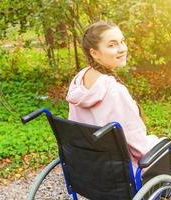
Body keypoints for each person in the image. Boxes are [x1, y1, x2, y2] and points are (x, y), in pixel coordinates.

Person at [66, 20, 160, 170]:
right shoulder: (114, 91)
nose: (122, 48)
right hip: (122, 171)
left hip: (90, 165)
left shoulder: (79, 80)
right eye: (112, 45)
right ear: (94, 53)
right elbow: (138, 146)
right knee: (167, 149)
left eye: (122, 42)